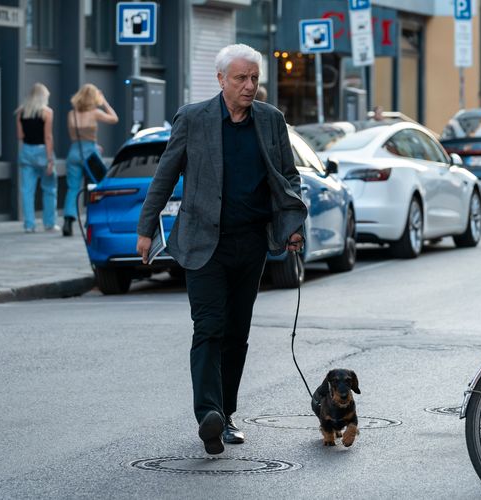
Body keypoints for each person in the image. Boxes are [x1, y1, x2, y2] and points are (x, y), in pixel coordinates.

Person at [136, 43, 307, 455]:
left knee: (237, 333)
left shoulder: (270, 120)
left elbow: (288, 176)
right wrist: (146, 229)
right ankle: (208, 414)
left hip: (250, 244)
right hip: (202, 244)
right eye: (240, 78)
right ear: (220, 79)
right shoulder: (193, 119)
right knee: (208, 327)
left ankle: (226, 414)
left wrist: (293, 224)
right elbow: (165, 175)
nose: (249, 86)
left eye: (254, 79)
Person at [63, 83, 118, 236]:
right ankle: (93, 219)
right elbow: (114, 119)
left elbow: (77, 136)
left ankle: (68, 221)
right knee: (99, 186)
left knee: (73, 188)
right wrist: (105, 101)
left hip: (74, 152)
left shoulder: (71, 114)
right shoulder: (95, 113)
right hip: (90, 154)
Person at [16, 83, 57, 233]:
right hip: (42, 151)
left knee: (27, 190)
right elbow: (48, 136)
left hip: (26, 151)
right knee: (49, 189)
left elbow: (20, 136)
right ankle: (49, 223)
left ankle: (29, 224)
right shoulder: (47, 112)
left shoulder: (21, 112)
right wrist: (50, 159)